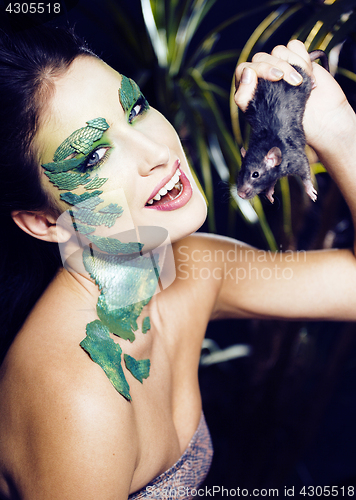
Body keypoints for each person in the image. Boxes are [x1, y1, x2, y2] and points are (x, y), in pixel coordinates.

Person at [0, 24, 355, 499]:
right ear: (42, 222)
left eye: (137, 109)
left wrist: (336, 125)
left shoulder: (194, 268)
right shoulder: (77, 396)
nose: (157, 153)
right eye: (94, 155)